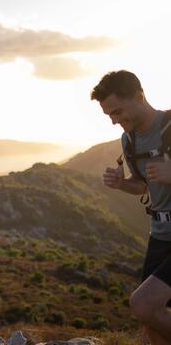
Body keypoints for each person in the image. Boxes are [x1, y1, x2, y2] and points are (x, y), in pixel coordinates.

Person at [91, 70, 171, 344]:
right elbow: (141, 185)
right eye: (109, 116)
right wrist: (121, 184)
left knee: (143, 304)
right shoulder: (130, 140)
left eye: (117, 111)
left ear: (139, 97)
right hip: (160, 233)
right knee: (150, 319)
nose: (114, 121)